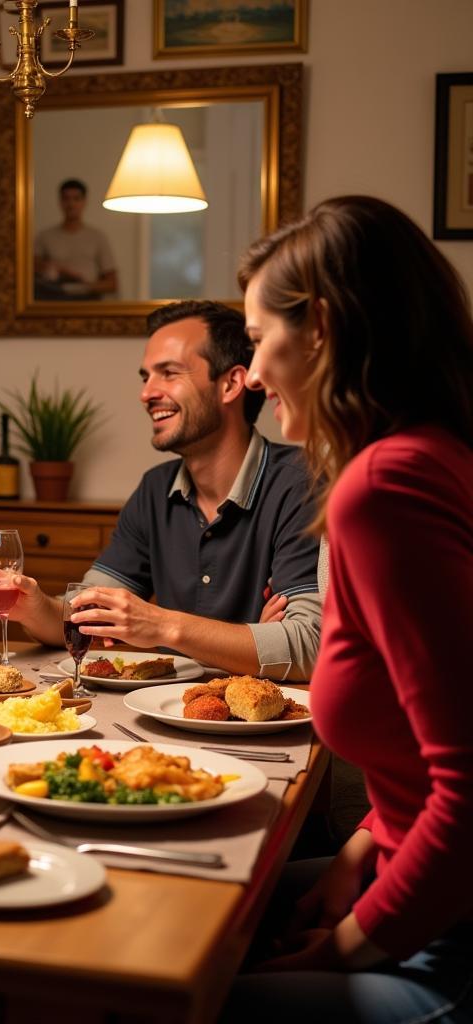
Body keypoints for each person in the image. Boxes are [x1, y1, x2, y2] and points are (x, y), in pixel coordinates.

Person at [221, 196, 473, 1022]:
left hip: (451, 937)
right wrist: (357, 855)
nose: (250, 376)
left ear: (321, 326)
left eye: (257, 341)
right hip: (410, 871)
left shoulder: (384, 486)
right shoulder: (435, 453)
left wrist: (346, 944)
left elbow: (467, 785)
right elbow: (422, 749)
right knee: (222, 894)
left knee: (177, 991)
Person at [0, 299, 322, 680]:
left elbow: (309, 647)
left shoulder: (302, 483)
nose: (147, 393)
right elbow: (84, 618)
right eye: (145, 377)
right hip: (164, 714)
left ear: (231, 383)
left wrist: (162, 626)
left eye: (168, 373)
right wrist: (32, 607)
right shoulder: (155, 489)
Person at [34, 178, 118, 300]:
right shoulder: (45, 236)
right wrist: (59, 271)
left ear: (84, 202)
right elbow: (31, 269)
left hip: (87, 302)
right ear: (60, 202)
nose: (71, 204)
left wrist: (84, 286)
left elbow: (112, 283)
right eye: (66, 199)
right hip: (54, 300)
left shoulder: (97, 236)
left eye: (76, 199)